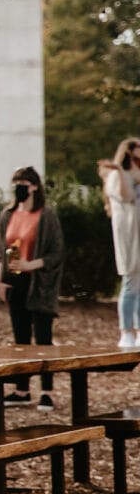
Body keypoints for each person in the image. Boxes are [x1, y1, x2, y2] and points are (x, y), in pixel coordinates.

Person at [0, 166, 66, 410]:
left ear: (35, 186)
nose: (19, 187)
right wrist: (0, 278)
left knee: (43, 337)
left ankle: (46, 390)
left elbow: (56, 253)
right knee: (20, 337)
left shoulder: (46, 215)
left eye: (23, 183)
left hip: (39, 281)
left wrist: (30, 264)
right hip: (15, 280)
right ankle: (21, 388)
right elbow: (0, 251)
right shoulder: (8, 214)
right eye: (15, 183)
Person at [99, 139, 140, 348]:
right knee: (130, 284)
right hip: (129, 239)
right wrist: (122, 173)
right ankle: (126, 330)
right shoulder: (117, 177)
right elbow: (127, 196)